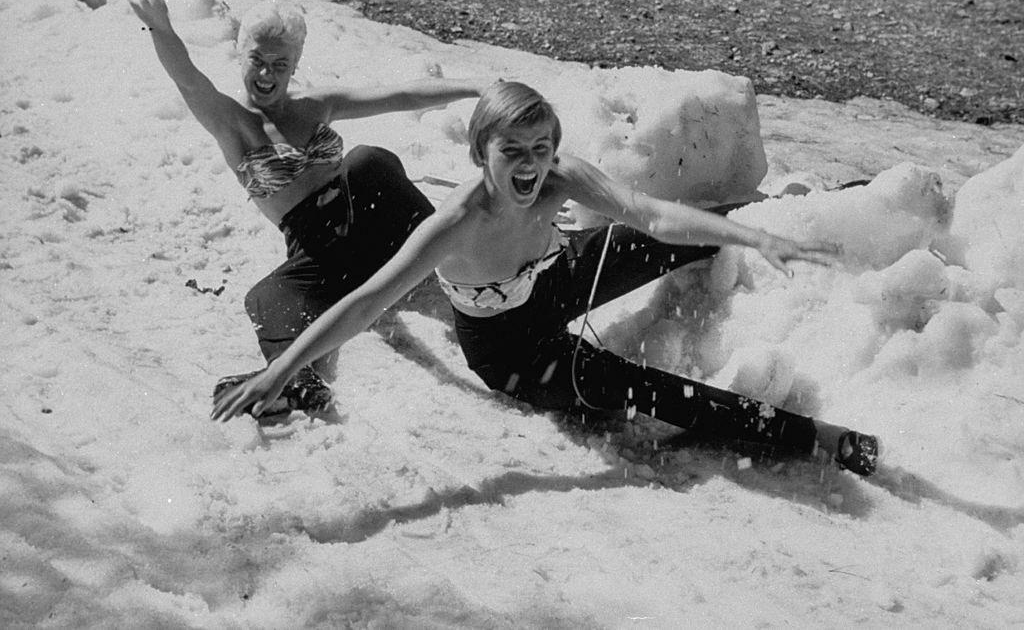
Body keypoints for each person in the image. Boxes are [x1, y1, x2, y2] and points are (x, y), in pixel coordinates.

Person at [211, 81, 879, 476]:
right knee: (656, 393)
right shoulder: (454, 226)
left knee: (676, 233)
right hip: (515, 353)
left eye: (541, 148)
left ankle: (832, 206)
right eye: (513, 152)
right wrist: (278, 371)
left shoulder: (559, 176)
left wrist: (755, 236)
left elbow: (651, 213)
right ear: (481, 153)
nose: (530, 167)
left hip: (561, 276)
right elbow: (363, 304)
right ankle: (819, 438)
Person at [130, 0, 488, 415]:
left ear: (295, 64)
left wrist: (476, 87)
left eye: (279, 64)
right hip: (320, 256)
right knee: (264, 297)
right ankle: (295, 379)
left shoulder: (314, 105)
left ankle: (463, 244)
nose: (266, 74)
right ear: (240, 57)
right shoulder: (233, 123)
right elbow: (187, 78)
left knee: (368, 161)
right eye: (257, 61)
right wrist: (160, 27)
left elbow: (400, 96)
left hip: (377, 227)